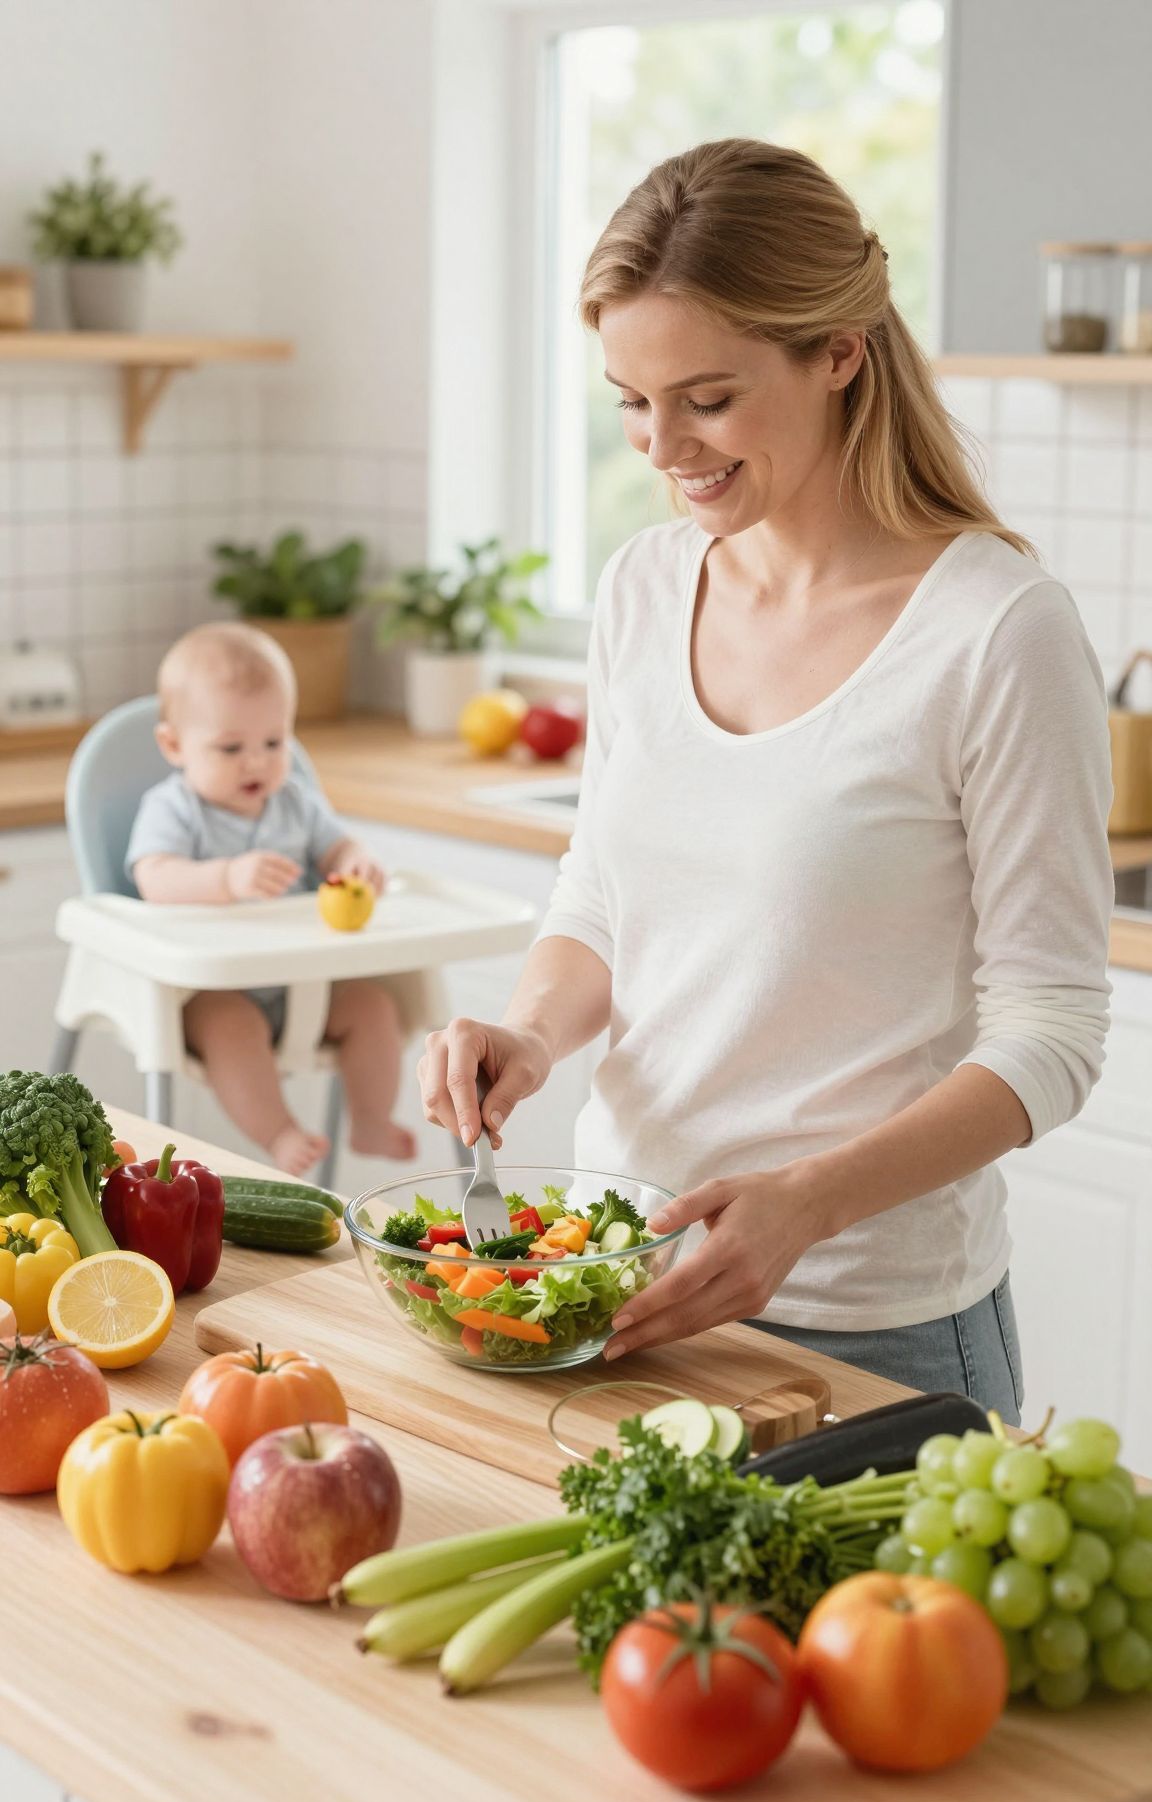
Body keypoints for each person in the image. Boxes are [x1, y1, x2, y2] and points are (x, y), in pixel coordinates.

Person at [418, 140, 1113, 1421]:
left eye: (708, 398)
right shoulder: (644, 587)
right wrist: (528, 1028)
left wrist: (810, 1201)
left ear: (839, 351)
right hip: (621, 1285)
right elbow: (602, 901)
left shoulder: (997, 632)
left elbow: (1054, 1033)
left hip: (873, 1332)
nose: (662, 444)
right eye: (631, 400)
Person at [127, 621, 414, 1176]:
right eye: (231, 747)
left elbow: (337, 846)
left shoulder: (296, 803)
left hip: (303, 980)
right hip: (213, 990)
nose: (256, 761)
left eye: (274, 742)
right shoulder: (174, 809)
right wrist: (226, 879)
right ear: (173, 745)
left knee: (374, 1008)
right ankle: (279, 1133)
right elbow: (153, 878)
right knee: (232, 1029)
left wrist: (354, 860)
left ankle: (371, 1117)